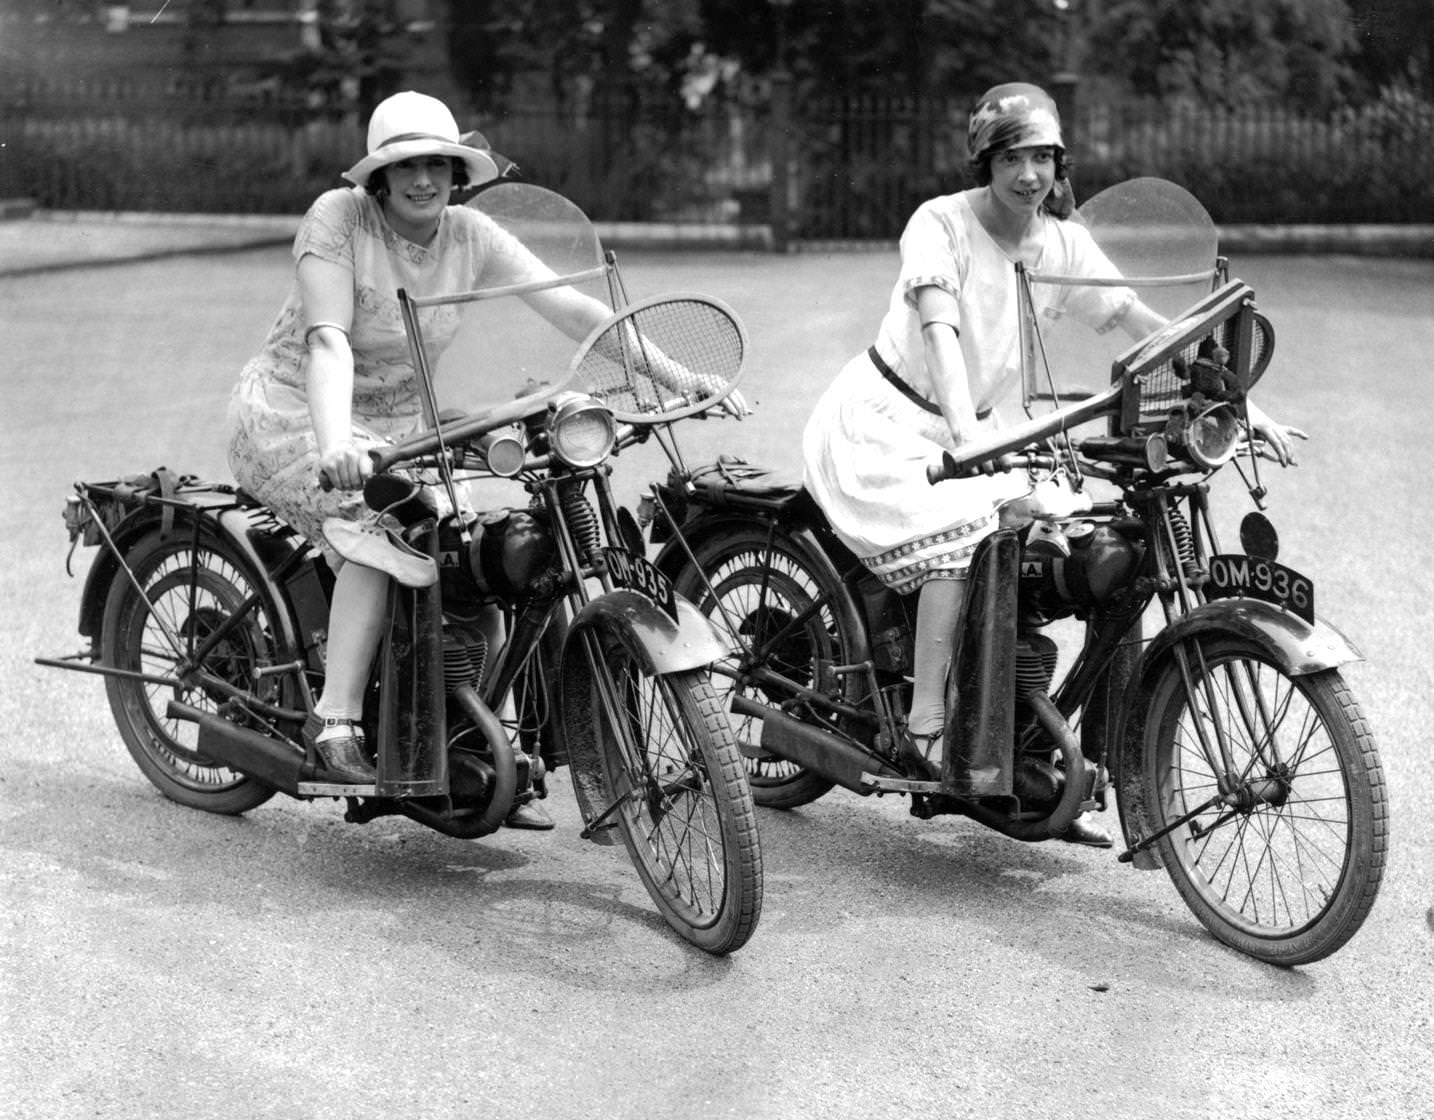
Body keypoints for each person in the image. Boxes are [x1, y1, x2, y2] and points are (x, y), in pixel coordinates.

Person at [801, 82, 1306, 847]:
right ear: (986, 161)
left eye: (1042, 157)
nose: (1029, 174)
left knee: (1090, 548)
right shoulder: (939, 223)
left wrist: (1242, 404)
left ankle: (1055, 757)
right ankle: (928, 723)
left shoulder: (1060, 240)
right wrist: (965, 431)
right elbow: (938, 321)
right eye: (1012, 157)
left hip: (983, 430)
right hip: (895, 423)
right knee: (966, 536)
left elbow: (1137, 321)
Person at [227, 90, 621, 824]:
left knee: (486, 541)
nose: (422, 179)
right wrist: (337, 440)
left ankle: (470, 738)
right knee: (387, 533)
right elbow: (328, 342)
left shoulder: (470, 233)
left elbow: (570, 307)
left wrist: (677, 369)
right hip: (300, 412)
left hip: (404, 425)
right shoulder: (338, 219)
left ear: (455, 170)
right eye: (405, 166)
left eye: (437, 164)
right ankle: (336, 720)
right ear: (378, 175)